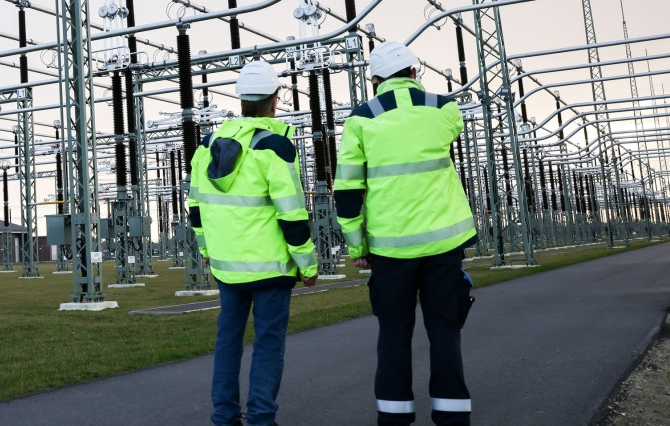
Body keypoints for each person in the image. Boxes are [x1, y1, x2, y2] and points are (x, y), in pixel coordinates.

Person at [334, 41, 477, 426]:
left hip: (390, 249)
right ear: (414, 73)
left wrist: (356, 244)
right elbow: (453, 130)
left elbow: (347, 191)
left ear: (375, 81)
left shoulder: (361, 120)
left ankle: (394, 419)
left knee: (394, 335)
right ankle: (451, 417)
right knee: (445, 331)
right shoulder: (444, 107)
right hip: (443, 244)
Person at [188, 61, 319, 426]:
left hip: (227, 267)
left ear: (241, 98)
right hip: (271, 268)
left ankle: (224, 416)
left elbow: (195, 208)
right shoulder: (275, 147)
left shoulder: (207, 147)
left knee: (228, 340)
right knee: (268, 341)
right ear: (275, 100)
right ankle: (261, 417)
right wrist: (307, 265)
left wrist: (207, 250)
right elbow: (292, 214)